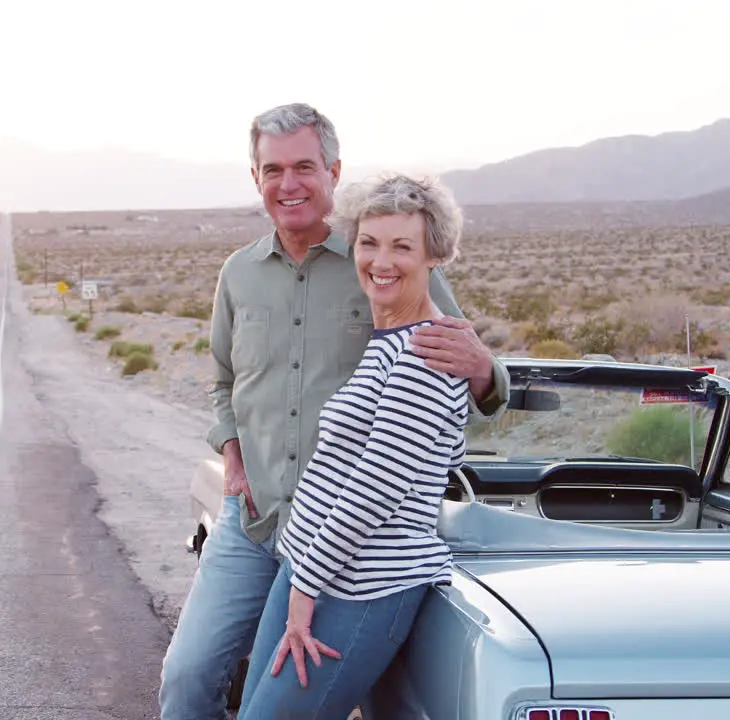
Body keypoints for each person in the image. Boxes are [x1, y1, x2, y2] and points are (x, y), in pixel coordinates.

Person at [157, 103, 509, 720]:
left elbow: (456, 359)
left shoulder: (379, 255)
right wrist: (232, 453)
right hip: (259, 520)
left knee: (322, 700)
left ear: (333, 170)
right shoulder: (238, 275)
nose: (287, 184)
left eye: (303, 167)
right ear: (256, 178)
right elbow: (223, 383)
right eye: (272, 170)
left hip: (354, 542)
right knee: (187, 679)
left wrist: (484, 370)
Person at [237, 171, 470, 718]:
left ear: (434, 255)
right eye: (368, 243)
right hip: (311, 566)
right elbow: (441, 452)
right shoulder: (387, 338)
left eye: (401, 247)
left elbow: (377, 487)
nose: (380, 261)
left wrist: (306, 586)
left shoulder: (427, 351)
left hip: (358, 588)